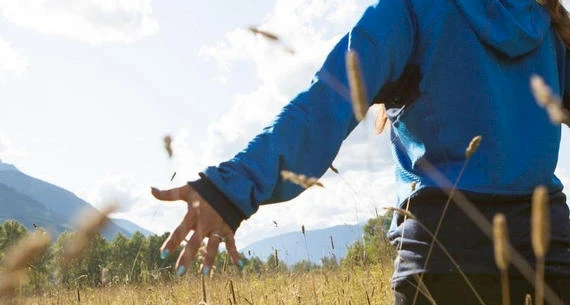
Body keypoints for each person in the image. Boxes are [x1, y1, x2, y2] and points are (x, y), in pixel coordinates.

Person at [151, 0, 570, 304]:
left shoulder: (412, 10)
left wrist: (230, 189)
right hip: (551, 261)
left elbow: (326, 102)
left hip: (444, 262)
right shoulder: (545, 24)